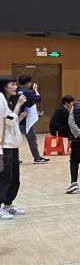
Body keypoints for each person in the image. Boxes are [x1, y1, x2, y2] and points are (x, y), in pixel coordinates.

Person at [1, 76, 28, 219]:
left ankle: (8, 204)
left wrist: (20, 116)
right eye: (12, 84)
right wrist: (19, 105)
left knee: (14, 177)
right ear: (4, 86)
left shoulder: (8, 101)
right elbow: (9, 121)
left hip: (13, 144)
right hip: (5, 145)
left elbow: (12, 121)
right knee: (5, 177)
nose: (15, 87)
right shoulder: (1, 100)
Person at [15, 75, 46, 164]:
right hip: (27, 120)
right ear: (29, 83)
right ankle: (37, 157)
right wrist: (35, 90)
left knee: (15, 140)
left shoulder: (15, 91)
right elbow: (38, 99)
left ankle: (15, 158)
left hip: (16, 119)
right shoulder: (28, 92)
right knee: (32, 139)